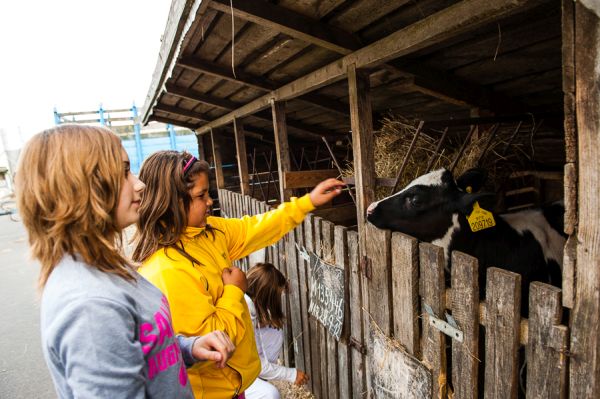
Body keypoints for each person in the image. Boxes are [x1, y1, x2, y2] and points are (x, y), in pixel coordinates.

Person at [16, 125, 235, 399]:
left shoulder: (104, 268)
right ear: (82, 186)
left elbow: (135, 347)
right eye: (123, 173)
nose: (139, 183)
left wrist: (187, 348)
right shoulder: (90, 307)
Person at [132, 150, 343, 399]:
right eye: (201, 195)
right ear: (173, 202)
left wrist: (307, 203)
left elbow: (255, 228)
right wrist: (234, 291)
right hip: (213, 393)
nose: (210, 201)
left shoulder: (209, 232)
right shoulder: (168, 269)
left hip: (234, 384)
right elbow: (211, 343)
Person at [244, 263, 309, 399]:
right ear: (268, 296)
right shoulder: (246, 312)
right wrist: (292, 374)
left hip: (238, 367)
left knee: (274, 331)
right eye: (278, 295)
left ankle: (259, 380)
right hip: (226, 376)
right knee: (270, 394)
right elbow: (257, 363)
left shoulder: (246, 303)